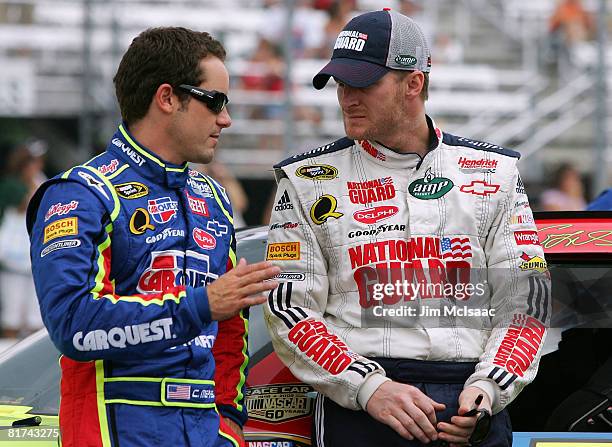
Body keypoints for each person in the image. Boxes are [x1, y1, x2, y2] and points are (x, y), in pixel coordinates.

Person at [264, 9, 550, 447]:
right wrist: (369, 388)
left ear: (413, 82)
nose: (347, 99)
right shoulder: (305, 180)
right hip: (363, 404)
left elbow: (527, 300)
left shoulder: (495, 173)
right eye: (341, 84)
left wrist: (488, 389)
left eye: (363, 84)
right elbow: (289, 308)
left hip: (471, 403)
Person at [26, 27, 280, 447]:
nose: (225, 118)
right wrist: (200, 306)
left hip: (202, 429)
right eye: (214, 100)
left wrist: (229, 421)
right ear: (167, 98)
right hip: (114, 426)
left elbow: (232, 323)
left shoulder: (211, 197)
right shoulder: (82, 194)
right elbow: (73, 325)